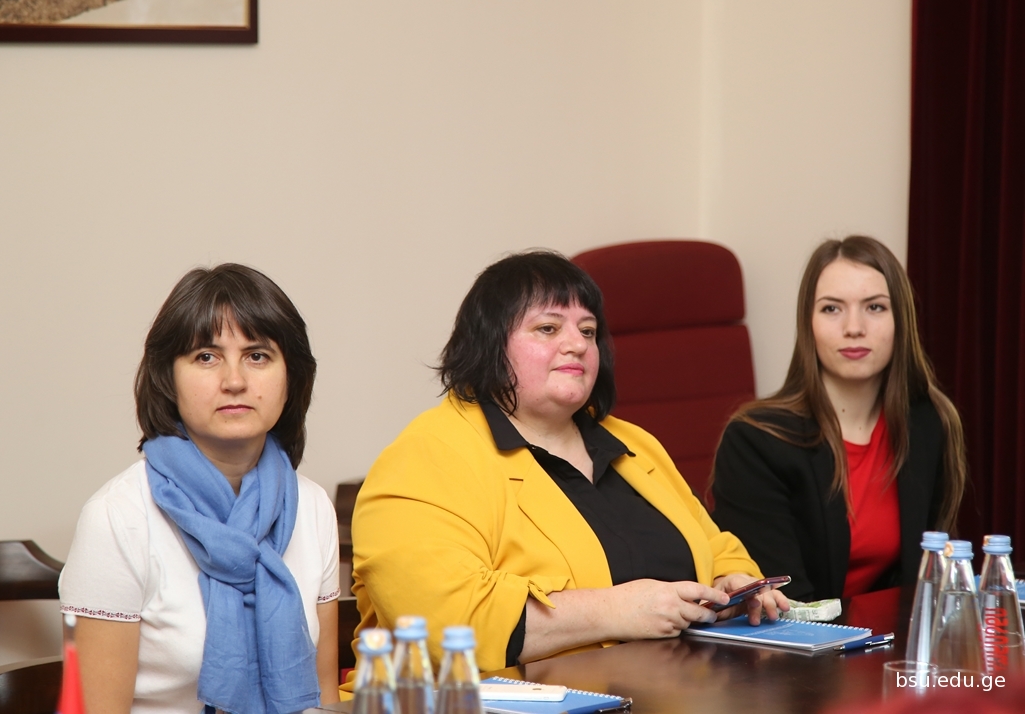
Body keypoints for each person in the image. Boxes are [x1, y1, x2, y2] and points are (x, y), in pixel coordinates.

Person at [350, 250, 786, 675]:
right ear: (489, 342)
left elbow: (716, 547)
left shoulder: (634, 443)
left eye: (589, 331)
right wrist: (613, 610)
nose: (577, 344)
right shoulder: (424, 457)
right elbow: (443, 620)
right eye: (548, 328)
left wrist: (733, 582)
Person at [60, 264, 341, 714]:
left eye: (258, 356)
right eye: (206, 357)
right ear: (167, 378)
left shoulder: (312, 506)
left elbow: (323, 700)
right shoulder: (117, 517)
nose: (235, 381)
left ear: (292, 377)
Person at [711, 236, 967, 603]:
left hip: (895, 634)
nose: (854, 327)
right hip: (797, 636)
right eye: (832, 309)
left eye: (875, 307)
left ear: (901, 320)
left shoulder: (929, 423)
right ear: (808, 324)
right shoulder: (755, 441)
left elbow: (928, 578)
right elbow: (783, 602)